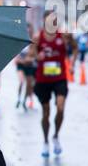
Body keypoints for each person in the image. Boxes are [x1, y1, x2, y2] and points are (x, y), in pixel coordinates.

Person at [30, 11, 74, 158]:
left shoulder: (64, 35)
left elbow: (75, 48)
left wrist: (72, 63)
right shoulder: (38, 37)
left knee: (60, 108)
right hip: (43, 80)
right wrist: (38, 56)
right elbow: (32, 54)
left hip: (59, 78)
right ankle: (45, 141)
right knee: (46, 113)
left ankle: (55, 136)